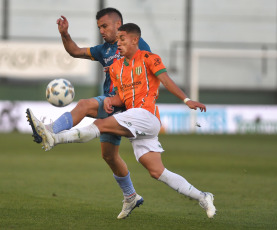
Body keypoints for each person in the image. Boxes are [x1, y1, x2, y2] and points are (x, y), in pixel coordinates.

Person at [26, 23, 216, 219]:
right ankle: (203, 196)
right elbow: (121, 97)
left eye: (122, 39)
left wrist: (186, 100)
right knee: (156, 171)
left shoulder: (150, 58)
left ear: (135, 40)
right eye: (117, 40)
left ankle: (54, 138)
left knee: (99, 125)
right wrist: (110, 100)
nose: (118, 43)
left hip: (146, 116)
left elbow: (166, 80)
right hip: (136, 119)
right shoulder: (116, 67)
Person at [28, 8, 150, 219]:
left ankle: (49, 130)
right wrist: (65, 34)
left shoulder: (135, 44)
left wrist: (120, 85)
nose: (101, 31)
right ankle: (131, 196)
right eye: (99, 27)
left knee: (84, 105)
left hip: (124, 104)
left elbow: (143, 72)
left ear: (118, 24)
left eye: (104, 26)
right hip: (111, 104)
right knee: (109, 155)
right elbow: (75, 51)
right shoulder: (104, 50)